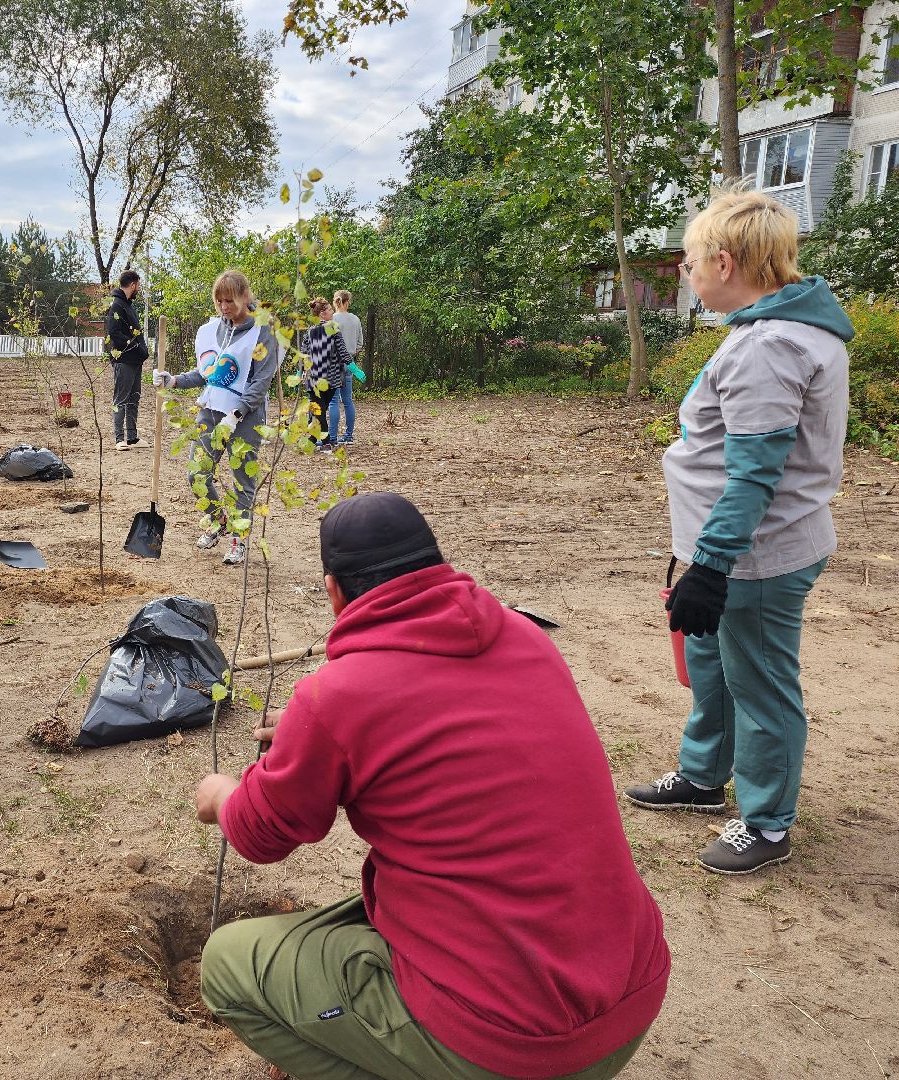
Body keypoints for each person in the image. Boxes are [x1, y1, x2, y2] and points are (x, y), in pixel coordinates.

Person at [195, 492, 669, 1080]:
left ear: (334, 591)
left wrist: (220, 795)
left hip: (508, 1046)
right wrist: (308, 742)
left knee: (226, 966)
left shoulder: (337, 696)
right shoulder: (528, 640)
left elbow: (261, 835)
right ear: (436, 569)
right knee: (377, 911)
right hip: (628, 994)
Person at [624, 190, 852, 874]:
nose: (687, 275)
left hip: (754, 556)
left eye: (690, 263)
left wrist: (712, 565)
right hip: (724, 549)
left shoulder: (770, 347)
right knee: (712, 666)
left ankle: (768, 821)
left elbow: (754, 474)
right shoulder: (767, 331)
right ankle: (702, 776)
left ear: (724, 262)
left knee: (759, 683)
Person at [154, 269, 281, 566]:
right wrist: (173, 380)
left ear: (245, 296)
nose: (225, 307)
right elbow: (209, 371)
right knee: (196, 474)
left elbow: (260, 383)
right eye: (219, 301)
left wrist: (235, 415)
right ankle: (218, 518)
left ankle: (238, 539)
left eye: (230, 301)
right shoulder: (216, 328)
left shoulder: (263, 331)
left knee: (242, 480)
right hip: (210, 411)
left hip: (246, 417)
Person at [105, 269, 149, 451]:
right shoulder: (116, 305)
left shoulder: (128, 305)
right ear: (132, 284)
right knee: (120, 399)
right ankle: (119, 438)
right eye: (138, 285)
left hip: (135, 360)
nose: (138, 288)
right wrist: (134, 345)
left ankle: (132, 437)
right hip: (124, 360)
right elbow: (114, 333)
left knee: (134, 398)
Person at [302, 296, 351, 452]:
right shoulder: (333, 328)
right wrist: (354, 368)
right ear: (322, 313)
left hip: (314, 378)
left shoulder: (309, 331)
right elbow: (343, 351)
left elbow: (304, 355)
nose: (332, 312)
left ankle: (320, 441)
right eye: (330, 309)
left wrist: (300, 371)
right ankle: (322, 441)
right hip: (332, 378)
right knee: (320, 410)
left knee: (319, 410)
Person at [328, 290, 363, 445]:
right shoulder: (355, 319)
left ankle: (333, 436)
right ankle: (349, 435)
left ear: (335, 302)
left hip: (334, 363)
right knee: (348, 400)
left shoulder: (332, 319)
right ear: (347, 302)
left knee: (333, 401)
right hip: (350, 363)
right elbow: (360, 343)